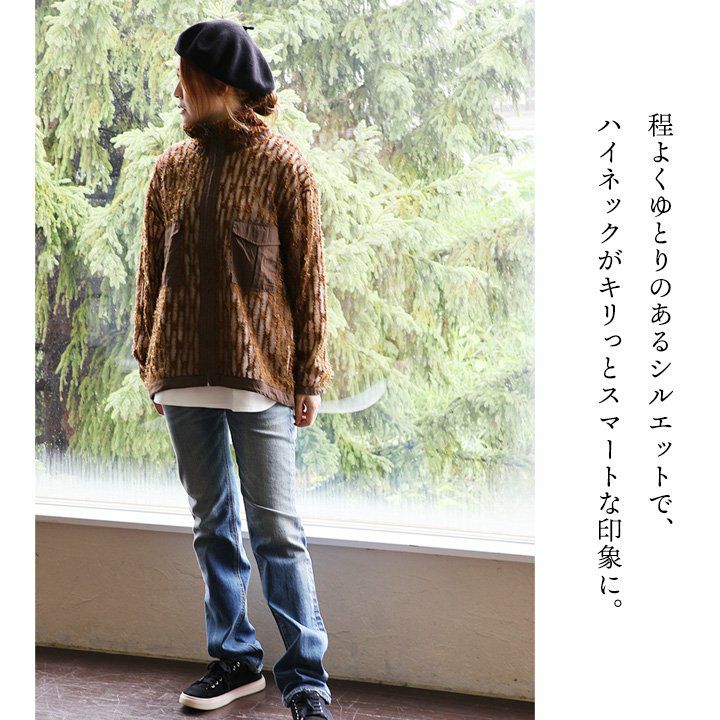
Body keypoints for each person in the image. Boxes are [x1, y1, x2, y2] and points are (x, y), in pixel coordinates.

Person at [132, 18, 335, 720]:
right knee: (211, 525)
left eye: (184, 80)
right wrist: (149, 362)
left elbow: (308, 277)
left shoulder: (284, 166)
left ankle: (306, 679)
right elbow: (150, 274)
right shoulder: (170, 169)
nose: (176, 93)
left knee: (277, 533)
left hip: (261, 378)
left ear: (219, 86)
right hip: (182, 371)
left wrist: (309, 376)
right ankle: (236, 660)